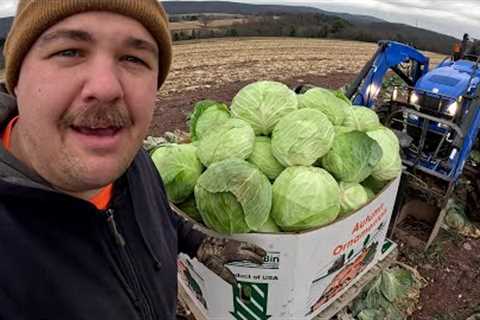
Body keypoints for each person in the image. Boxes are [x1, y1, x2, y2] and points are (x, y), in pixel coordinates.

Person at [0, 1, 266, 319]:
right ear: (15, 77)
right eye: (69, 51)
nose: (106, 88)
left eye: (133, 58)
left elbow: (151, 212)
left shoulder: (127, 154)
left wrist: (195, 241)